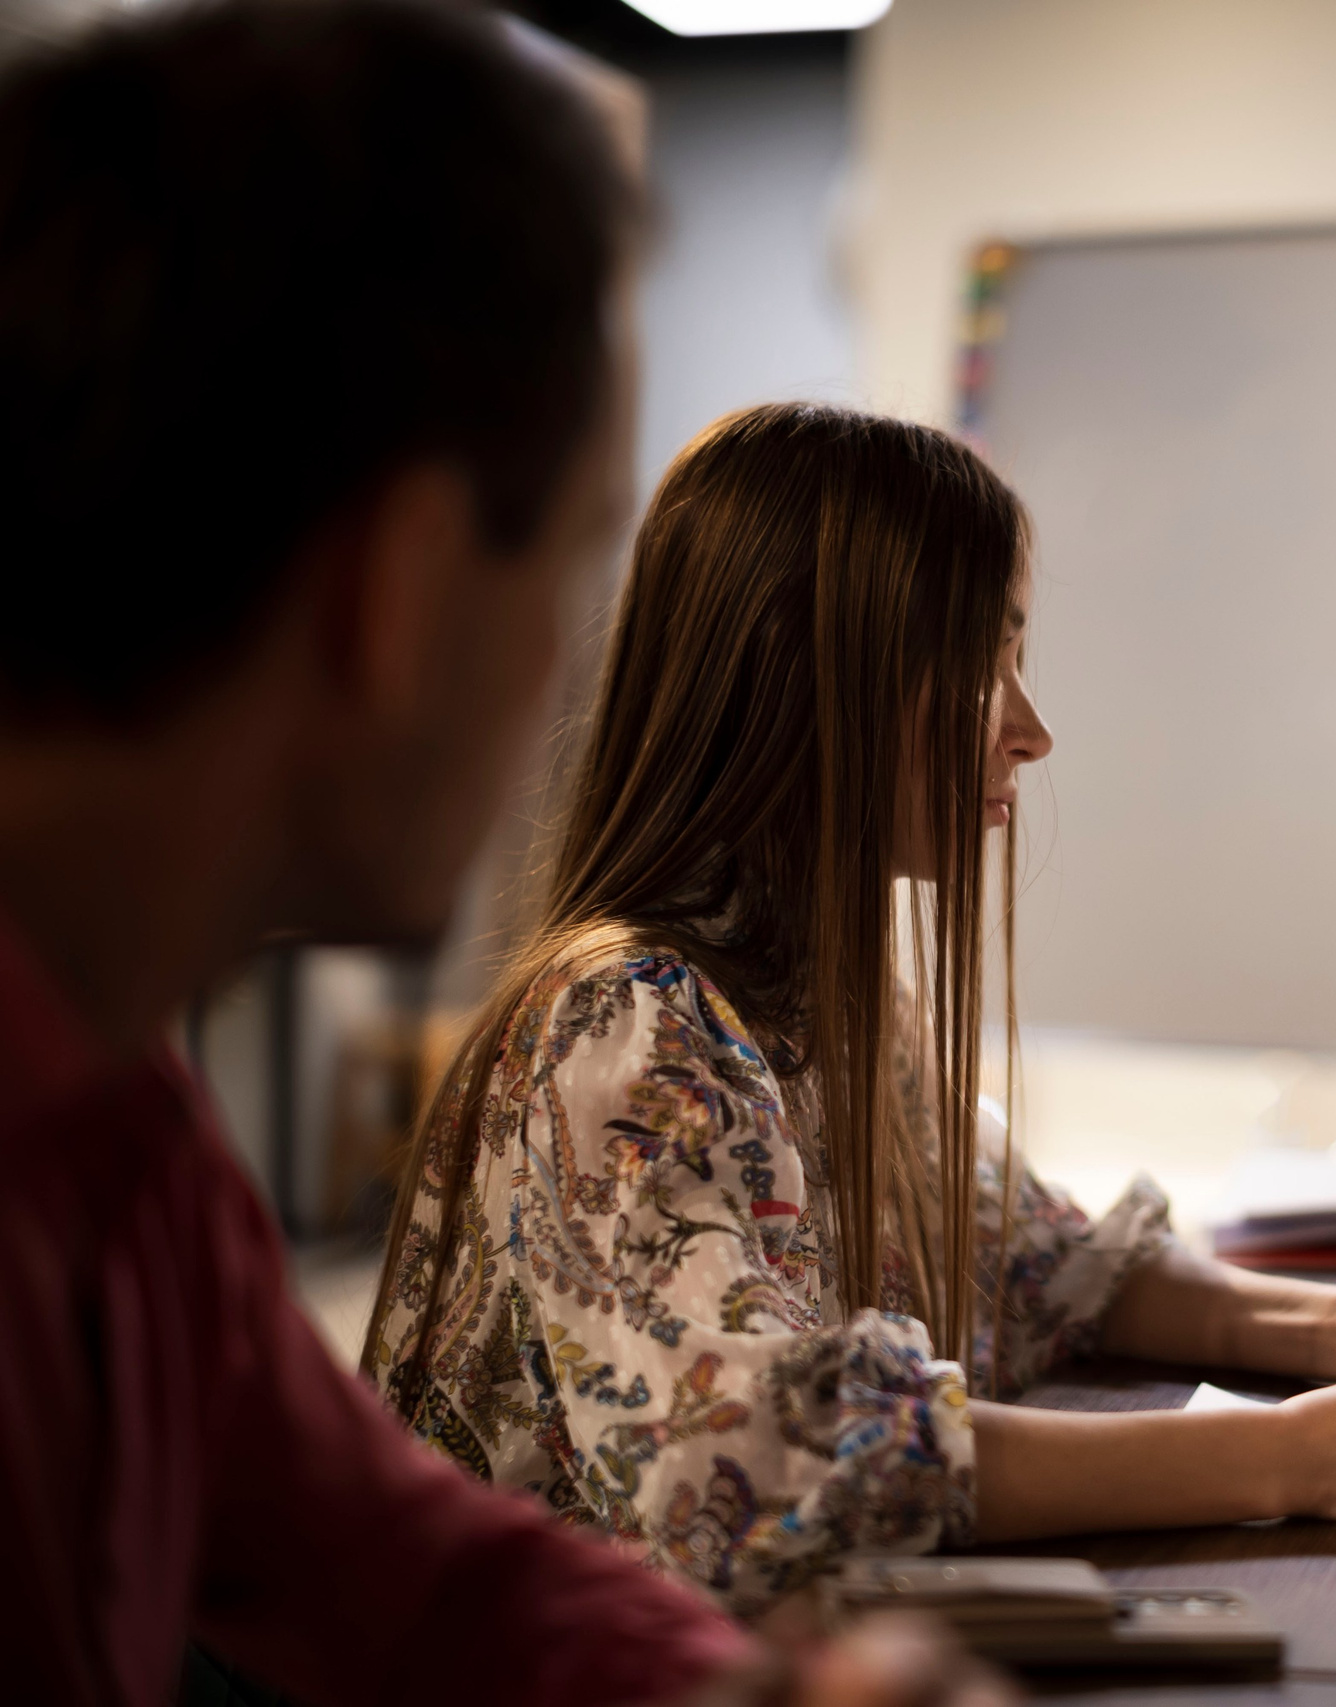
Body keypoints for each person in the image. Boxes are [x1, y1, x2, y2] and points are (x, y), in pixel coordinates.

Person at [0, 6, 1002, 1704]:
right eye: (564, 570)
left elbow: (399, 1561)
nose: (564, 666)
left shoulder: (128, 1137)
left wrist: (755, 1689)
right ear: (392, 594)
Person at [362, 401, 1336, 1615]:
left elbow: (1029, 1263)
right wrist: (1294, 1455)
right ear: (807, 675)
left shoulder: (828, 990)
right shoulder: (625, 1023)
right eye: (981, 663)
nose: (1030, 732)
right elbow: (745, 1467)